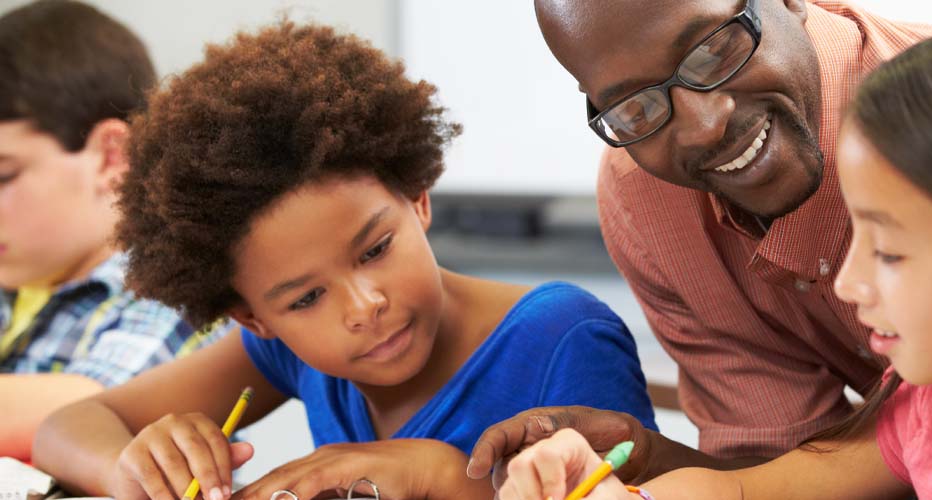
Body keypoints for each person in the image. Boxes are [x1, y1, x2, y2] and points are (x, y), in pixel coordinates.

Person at [467, 0, 932, 485]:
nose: (702, 125)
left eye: (715, 47)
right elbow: (779, 482)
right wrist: (643, 468)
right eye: (635, 105)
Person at [31, 21, 656, 500]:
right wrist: (132, 466)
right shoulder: (282, 349)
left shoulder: (562, 337)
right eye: (305, 298)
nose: (365, 307)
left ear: (417, 199)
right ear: (254, 318)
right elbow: (71, 426)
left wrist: (441, 478)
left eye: (376, 250)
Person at [0, 0, 225, 461]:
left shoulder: (176, 285)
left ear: (111, 157)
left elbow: (97, 413)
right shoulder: (17, 278)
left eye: (4, 176)